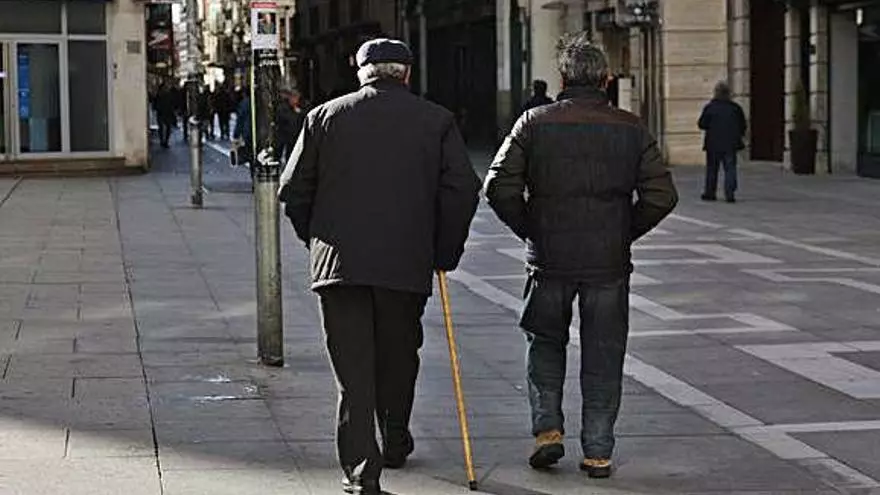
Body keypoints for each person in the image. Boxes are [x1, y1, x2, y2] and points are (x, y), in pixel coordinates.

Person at [278, 38, 481, 495]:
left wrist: (316, 239)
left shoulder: (324, 117)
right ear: (406, 74)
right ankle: (394, 437)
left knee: (353, 371)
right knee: (399, 355)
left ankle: (361, 474)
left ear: (361, 73)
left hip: (339, 266)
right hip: (405, 262)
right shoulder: (436, 121)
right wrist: (443, 251)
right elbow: (462, 190)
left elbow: (293, 190)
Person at [484, 32, 678, 479]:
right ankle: (598, 451)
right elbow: (662, 195)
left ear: (563, 78)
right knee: (605, 352)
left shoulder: (533, 122)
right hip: (607, 262)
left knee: (544, 343)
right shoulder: (631, 127)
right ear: (606, 79)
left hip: (549, 258)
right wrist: (624, 230)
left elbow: (498, 186)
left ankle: (548, 431)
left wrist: (530, 227)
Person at [697, 81, 747, 203]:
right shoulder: (735, 108)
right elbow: (743, 125)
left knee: (712, 169)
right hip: (730, 144)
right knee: (730, 169)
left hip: (713, 144)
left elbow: (702, 124)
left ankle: (710, 193)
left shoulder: (710, 107)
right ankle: (730, 193)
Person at [274, 85, 305, 163]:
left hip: (296, 138)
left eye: (297, 98)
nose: (295, 100)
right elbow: (282, 120)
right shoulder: (283, 108)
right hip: (286, 139)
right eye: (293, 97)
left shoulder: (301, 108)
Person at [152, 81, 177, 148]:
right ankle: (165, 141)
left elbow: (155, 105)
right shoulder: (167, 95)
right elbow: (172, 104)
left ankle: (163, 141)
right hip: (165, 113)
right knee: (166, 127)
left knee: (162, 128)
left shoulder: (159, 95)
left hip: (162, 113)